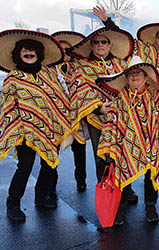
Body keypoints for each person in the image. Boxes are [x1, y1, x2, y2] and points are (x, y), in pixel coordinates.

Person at [0, 29, 71, 221]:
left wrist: (60, 119)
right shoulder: (13, 78)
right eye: (25, 50)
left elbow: (59, 98)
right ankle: (13, 204)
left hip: (50, 128)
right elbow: (7, 107)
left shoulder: (48, 73)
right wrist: (17, 128)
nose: (29, 53)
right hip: (24, 131)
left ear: (39, 53)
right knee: (25, 167)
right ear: (18, 53)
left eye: (32, 50)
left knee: (49, 164)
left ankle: (41, 196)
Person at [68, 27, 139, 203]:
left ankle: (126, 188)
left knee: (122, 155)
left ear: (110, 44)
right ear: (91, 46)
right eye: (96, 42)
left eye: (104, 42)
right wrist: (97, 108)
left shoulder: (121, 65)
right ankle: (107, 192)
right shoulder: (82, 66)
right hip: (97, 118)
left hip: (121, 119)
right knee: (102, 157)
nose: (100, 45)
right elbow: (78, 90)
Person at [97, 56, 159, 225]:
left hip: (151, 145)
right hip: (124, 146)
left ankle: (151, 206)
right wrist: (110, 147)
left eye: (139, 73)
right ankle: (120, 208)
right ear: (126, 77)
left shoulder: (155, 96)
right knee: (121, 174)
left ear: (145, 76)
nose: (135, 76)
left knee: (151, 175)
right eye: (131, 74)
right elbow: (112, 122)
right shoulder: (121, 98)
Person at [93, 5, 159, 87]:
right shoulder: (142, 48)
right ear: (155, 38)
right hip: (141, 93)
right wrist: (106, 21)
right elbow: (123, 39)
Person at [51, 31, 88, 192]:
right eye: (62, 48)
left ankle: (81, 181)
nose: (65, 52)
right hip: (54, 119)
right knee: (51, 154)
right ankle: (49, 188)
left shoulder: (79, 67)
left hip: (76, 117)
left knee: (79, 152)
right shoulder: (48, 70)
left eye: (68, 49)